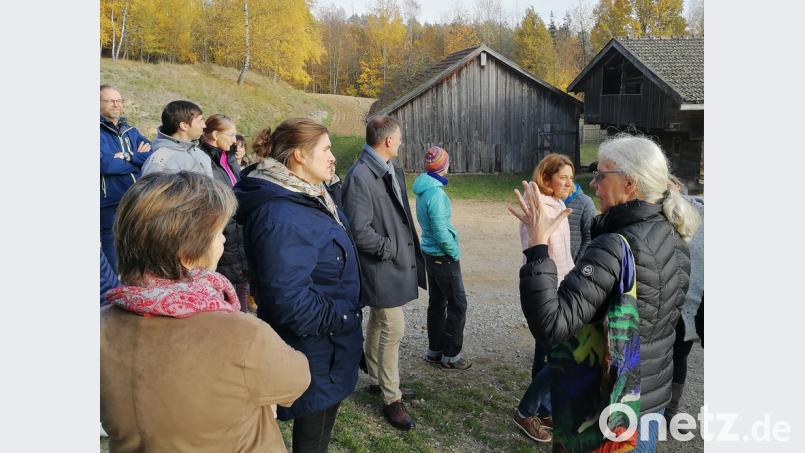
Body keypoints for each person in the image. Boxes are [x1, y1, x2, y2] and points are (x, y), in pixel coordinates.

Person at [509, 134, 700, 452]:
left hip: (607, 413)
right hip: (648, 404)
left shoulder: (613, 246)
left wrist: (538, 248)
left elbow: (551, 326)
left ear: (630, 182)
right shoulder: (675, 234)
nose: (593, 183)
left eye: (601, 175)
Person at [100, 172, 310, 453]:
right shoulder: (242, 335)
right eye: (217, 233)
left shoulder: (102, 325)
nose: (223, 241)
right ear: (187, 254)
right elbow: (296, 380)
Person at [234, 119, 363, 452]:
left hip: (329, 343)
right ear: (298, 157)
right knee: (312, 439)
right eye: (326, 149)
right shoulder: (281, 214)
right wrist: (346, 316)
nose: (333, 157)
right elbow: (288, 301)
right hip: (315, 350)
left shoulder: (311, 195)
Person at [342, 115, 427, 431]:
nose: (402, 142)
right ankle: (392, 398)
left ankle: (378, 379)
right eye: (400, 138)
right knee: (394, 329)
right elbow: (358, 230)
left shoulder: (390, 169)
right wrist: (390, 249)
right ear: (388, 140)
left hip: (391, 267)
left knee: (380, 322)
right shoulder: (361, 176)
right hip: (380, 268)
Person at [512, 153, 577, 443]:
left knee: (546, 353)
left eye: (571, 178)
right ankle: (526, 411)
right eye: (563, 177)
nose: (569, 183)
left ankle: (544, 407)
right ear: (547, 178)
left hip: (563, 286)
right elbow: (535, 253)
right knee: (564, 357)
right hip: (549, 291)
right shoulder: (539, 209)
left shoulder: (559, 205)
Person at [412, 146, 471, 371]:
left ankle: (434, 351)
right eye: (447, 162)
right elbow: (439, 229)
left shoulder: (425, 188)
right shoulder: (436, 194)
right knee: (458, 304)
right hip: (442, 256)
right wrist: (453, 251)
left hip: (429, 253)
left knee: (437, 303)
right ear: (443, 167)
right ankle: (451, 356)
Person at [199, 114, 250, 313]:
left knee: (241, 285)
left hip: (239, 231)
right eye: (230, 135)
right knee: (227, 289)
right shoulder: (205, 161)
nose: (234, 140)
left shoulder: (228, 158)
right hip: (223, 234)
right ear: (214, 134)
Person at [665, 175, 704, 425]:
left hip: (690, 303)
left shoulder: (699, 215)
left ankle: (671, 407)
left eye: (669, 187)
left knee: (678, 355)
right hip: (666, 300)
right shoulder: (657, 216)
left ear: (680, 188)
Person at [100, 84, 152, 271]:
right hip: (110, 204)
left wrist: (127, 156)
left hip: (136, 200)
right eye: (109, 101)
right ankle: (113, 298)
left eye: (118, 100)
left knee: (138, 257)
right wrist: (137, 158)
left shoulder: (131, 131)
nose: (116, 104)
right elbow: (105, 164)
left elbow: (151, 153)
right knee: (114, 262)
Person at [141, 100, 212, 177]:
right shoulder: (160, 162)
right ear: (184, 126)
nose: (204, 125)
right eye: (200, 121)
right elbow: (151, 189)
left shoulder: (202, 155)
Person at [563, 170, 598, 261]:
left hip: (573, 266)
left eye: (569, 177)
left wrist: (578, 264)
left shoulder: (585, 202)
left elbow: (589, 238)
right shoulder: (546, 201)